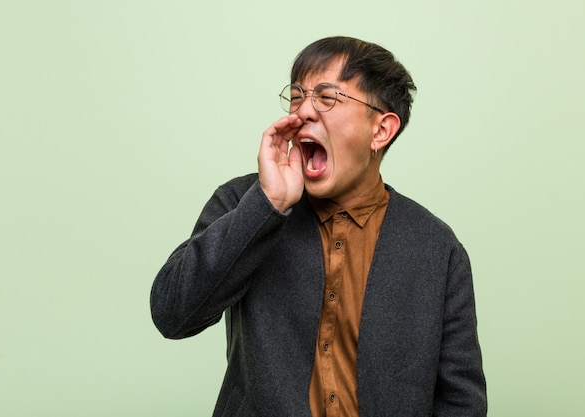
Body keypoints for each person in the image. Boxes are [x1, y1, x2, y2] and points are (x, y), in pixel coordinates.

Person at [150, 36, 487, 416]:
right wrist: (267, 206)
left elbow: (461, 400)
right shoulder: (244, 203)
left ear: (381, 130)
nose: (304, 112)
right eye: (297, 96)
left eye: (327, 98)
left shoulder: (435, 247)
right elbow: (171, 314)